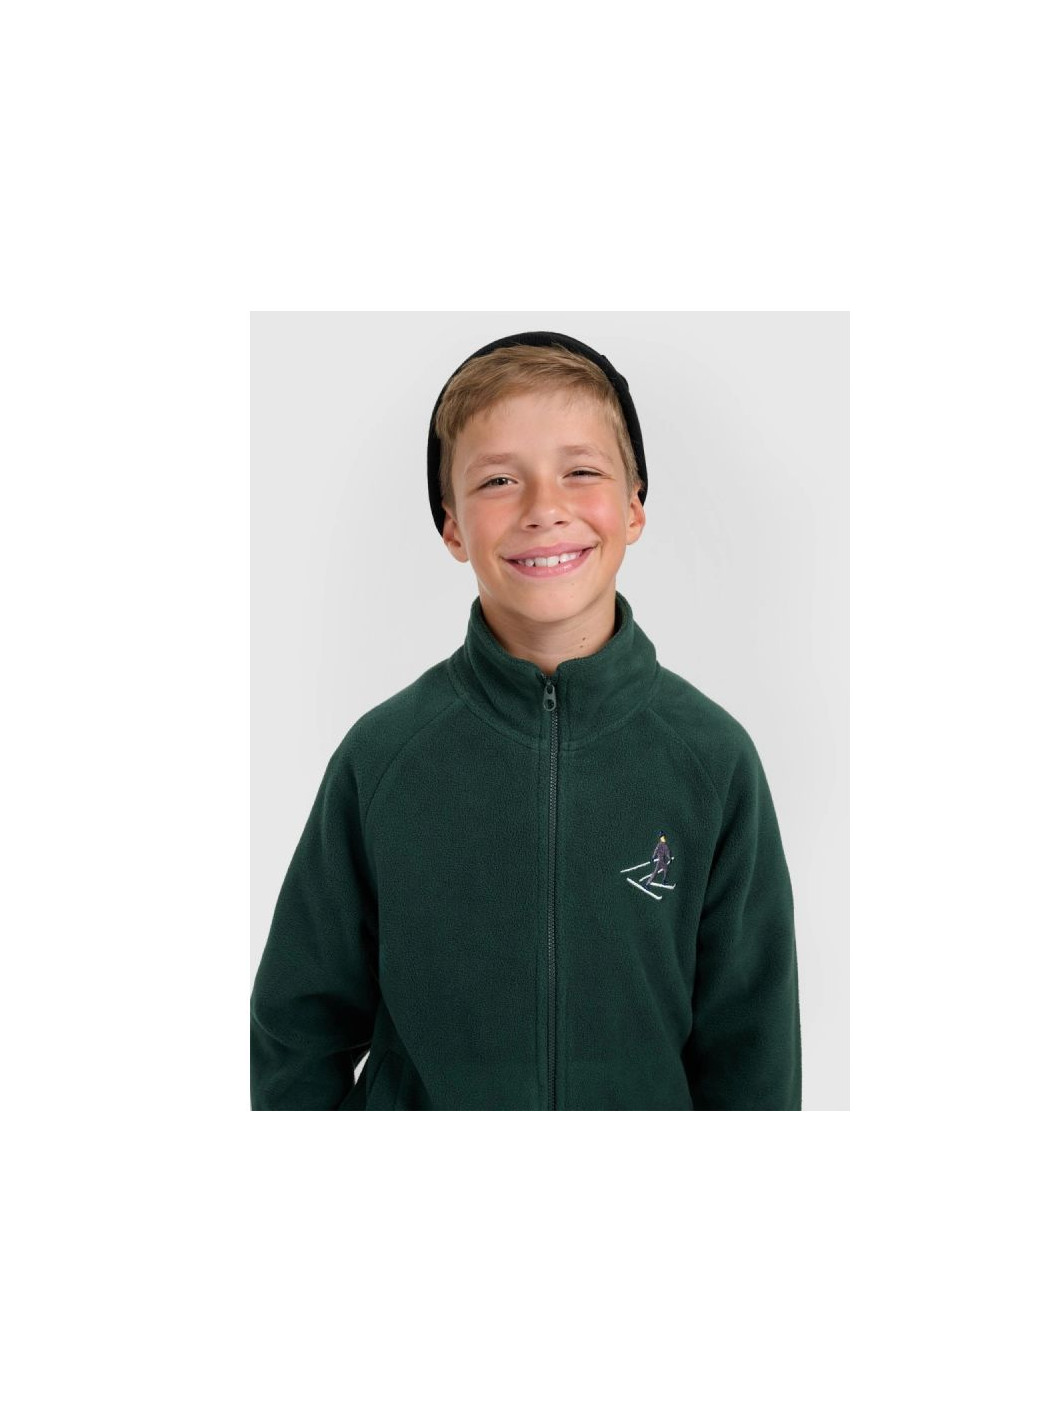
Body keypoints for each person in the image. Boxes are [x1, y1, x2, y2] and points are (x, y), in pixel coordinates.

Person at [250, 330, 802, 1110]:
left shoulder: (712, 760)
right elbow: (295, 1031)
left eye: (582, 471)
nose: (545, 509)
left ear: (634, 507)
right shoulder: (383, 759)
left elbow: (754, 1054)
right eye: (499, 480)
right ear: (451, 526)